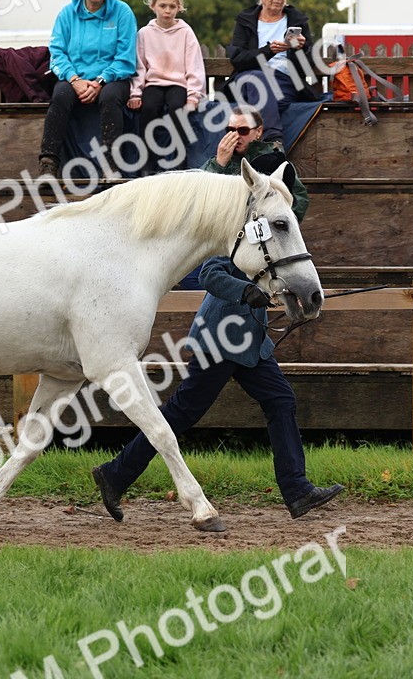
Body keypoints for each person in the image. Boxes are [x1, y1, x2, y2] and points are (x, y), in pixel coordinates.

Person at [91, 107, 342, 521]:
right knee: (181, 413)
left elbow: (294, 208)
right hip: (221, 339)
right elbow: (210, 273)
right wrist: (249, 293)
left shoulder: (262, 231)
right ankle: (116, 475)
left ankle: (296, 491)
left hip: (251, 341)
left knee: (281, 401)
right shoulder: (233, 233)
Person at [38, 0, 137, 176]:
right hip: (74, 77)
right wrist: (75, 80)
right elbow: (57, 52)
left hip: (112, 78)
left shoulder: (123, 13)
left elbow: (126, 57)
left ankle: (111, 163)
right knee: (60, 96)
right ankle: (49, 162)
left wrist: (101, 81)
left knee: (110, 98)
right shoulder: (66, 14)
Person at [225, 0, 320, 149]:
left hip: (284, 81)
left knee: (264, 99)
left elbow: (306, 67)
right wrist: (269, 51)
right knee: (258, 78)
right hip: (248, 80)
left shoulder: (297, 21)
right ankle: (273, 141)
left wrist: (301, 48)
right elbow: (237, 59)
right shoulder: (246, 20)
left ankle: (260, 149)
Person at [127, 0, 205, 174]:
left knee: (178, 109)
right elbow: (140, 65)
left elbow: (194, 64)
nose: (167, 10)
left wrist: (194, 95)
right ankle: (147, 163)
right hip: (153, 83)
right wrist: (135, 93)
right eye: (162, 6)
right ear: (153, 6)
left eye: (172, 6)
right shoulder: (144, 33)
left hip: (177, 83)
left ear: (179, 8)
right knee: (149, 108)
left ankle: (180, 161)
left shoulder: (186, 33)